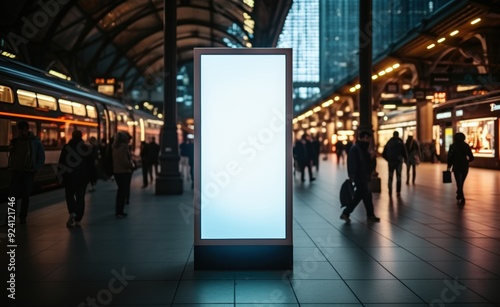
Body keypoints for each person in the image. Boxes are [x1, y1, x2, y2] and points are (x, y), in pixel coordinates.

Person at [7, 121, 46, 224]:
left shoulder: (35, 142)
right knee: (12, 195)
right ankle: (11, 217)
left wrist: (35, 169)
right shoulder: (16, 141)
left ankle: (22, 216)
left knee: (25, 195)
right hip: (16, 171)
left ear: (25, 129)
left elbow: (41, 158)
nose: (18, 133)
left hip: (28, 172)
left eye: (19, 130)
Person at [340, 130, 380, 223]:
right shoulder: (356, 149)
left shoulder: (363, 149)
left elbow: (367, 164)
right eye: (365, 138)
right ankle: (346, 213)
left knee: (367, 195)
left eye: (368, 138)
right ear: (361, 138)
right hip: (359, 177)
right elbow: (352, 163)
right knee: (360, 196)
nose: (367, 140)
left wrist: (372, 158)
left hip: (364, 176)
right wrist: (352, 175)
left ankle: (370, 215)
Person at [58, 130, 93, 227]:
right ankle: (78, 219)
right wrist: (91, 177)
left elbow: (61, 163)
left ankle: (72, 212)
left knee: (69, 195)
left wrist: (60, 176)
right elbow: (90, 165)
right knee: (80, 197)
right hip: (82, 178)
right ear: (81, 137)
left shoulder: (66, 148)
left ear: (72, 136)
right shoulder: (86, 148)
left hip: (69, 177)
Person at [447, 132, 474, 205]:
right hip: (464, 166)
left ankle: (460, 195)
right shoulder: (466, 146)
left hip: (456, 165)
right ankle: (460, 194)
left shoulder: (452, 146)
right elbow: (471, 157)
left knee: (458, 181)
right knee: (462, 181)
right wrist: (467, 161)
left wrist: (449, 166)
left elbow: (450, 157)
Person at [113, 132, 134, 218]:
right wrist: (132, 165)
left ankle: (118, 210)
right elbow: (125, 161)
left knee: (120, 191)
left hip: (116, 171)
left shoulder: (114, 147)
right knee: (123, 191)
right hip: (125, 171)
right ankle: (120, 211)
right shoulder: (124, 147)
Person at [382, 131, 407, 196]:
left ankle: (390, 190)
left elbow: (383, 153)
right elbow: (404, 152)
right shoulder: (400, 142)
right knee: (398, 176)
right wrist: (405, 160)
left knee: (390, 176)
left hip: (391, 162)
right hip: (399, 162)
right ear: (398, 135)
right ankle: (398, 191)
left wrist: (388, 159)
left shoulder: (389, 142)